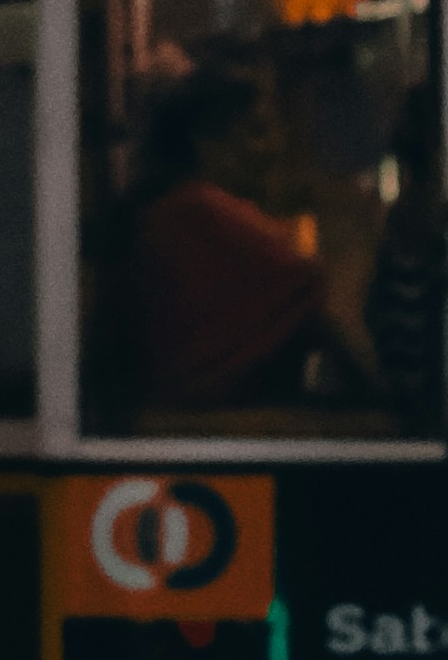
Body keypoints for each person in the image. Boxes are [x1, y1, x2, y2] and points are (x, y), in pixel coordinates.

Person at [124, 63, 374, 421]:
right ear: (206, 143)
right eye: (257, 132)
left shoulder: (179, 210)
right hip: (209, 429)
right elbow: (321, 297)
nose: (275, 147)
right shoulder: (198, 212)